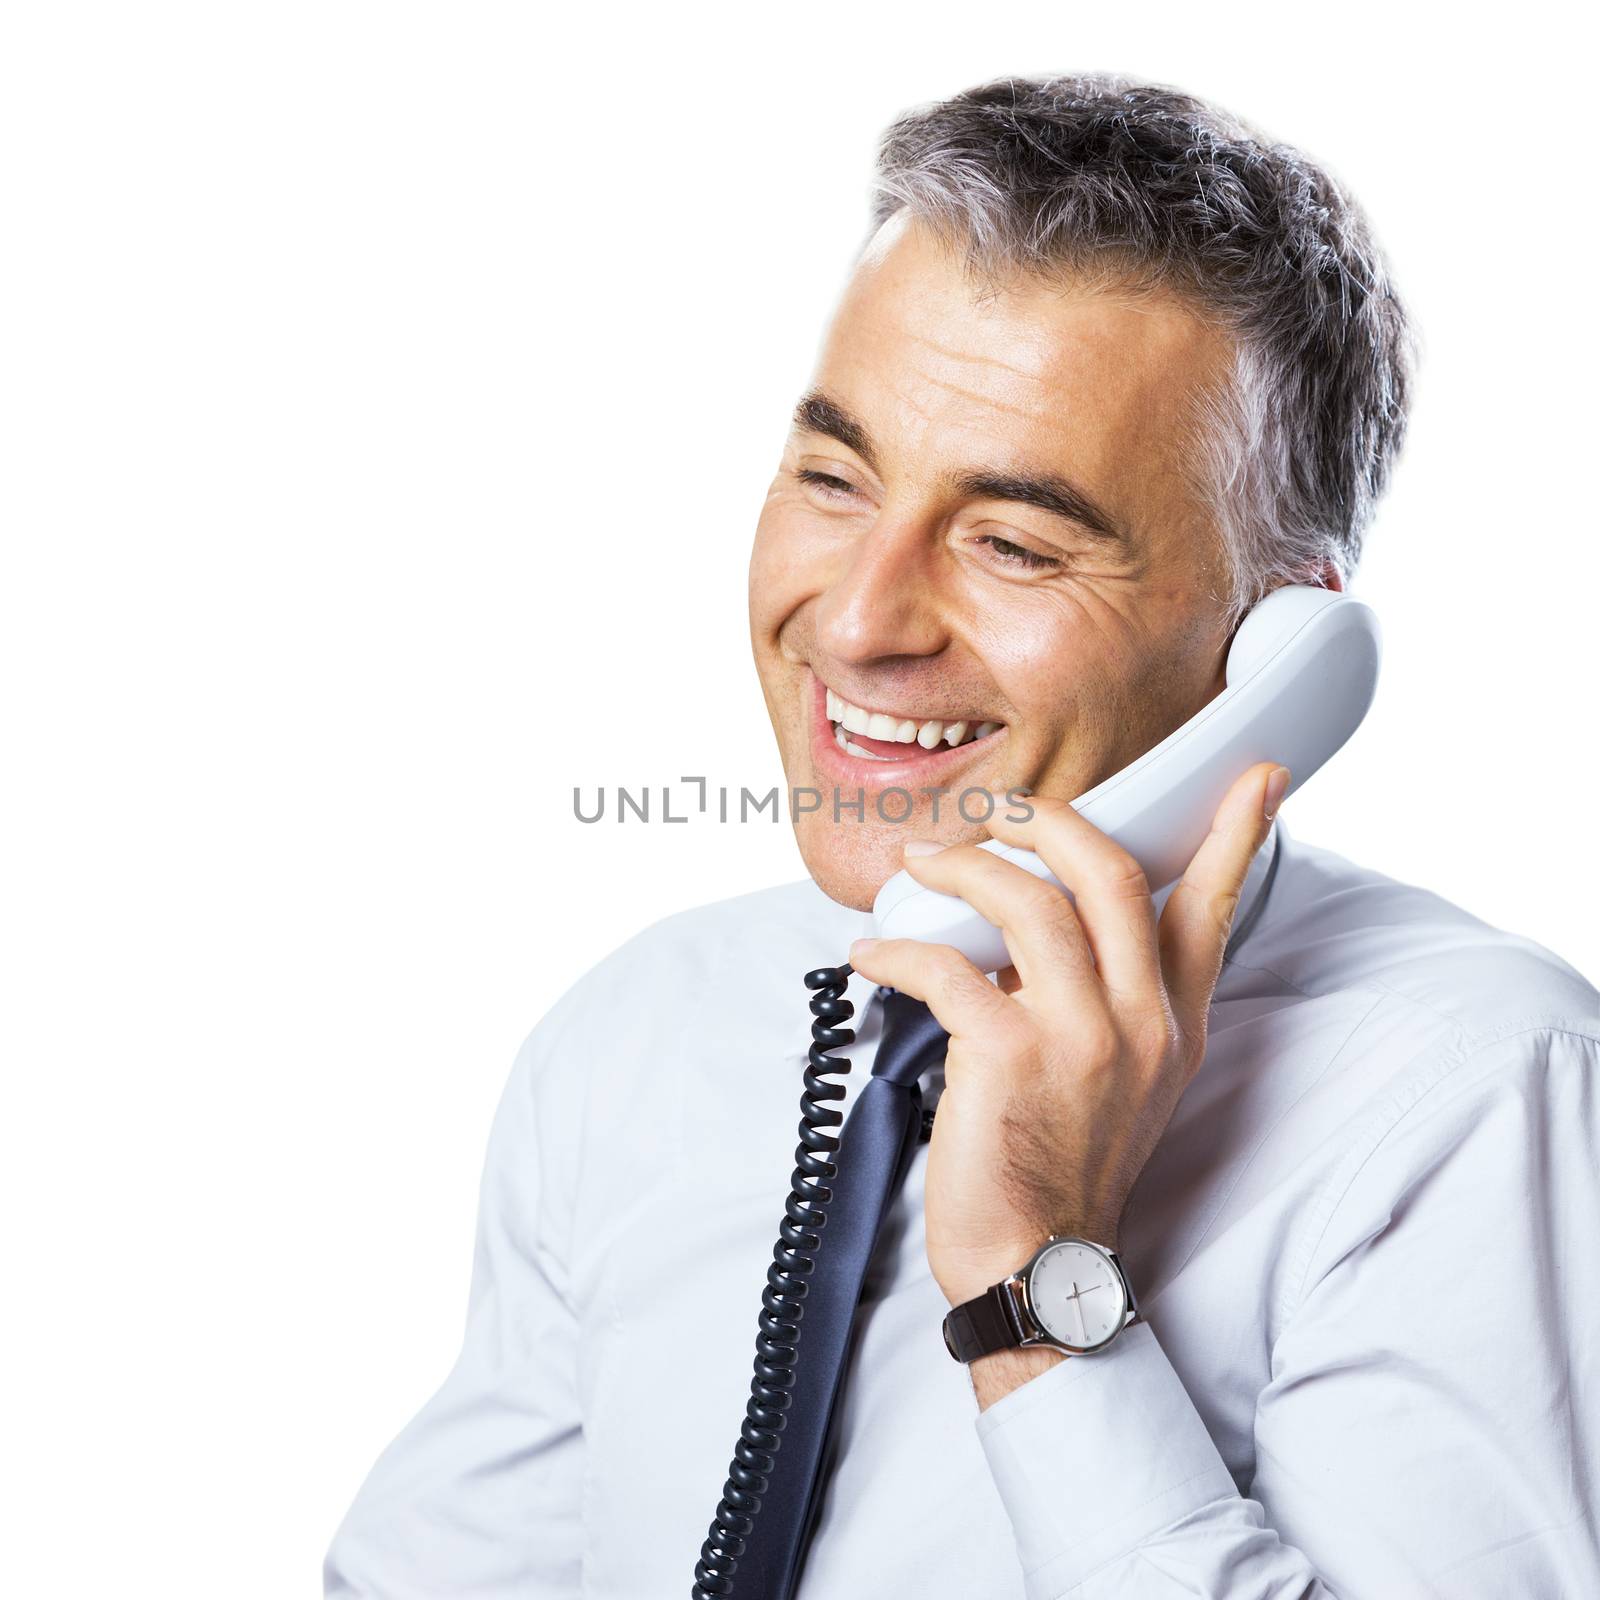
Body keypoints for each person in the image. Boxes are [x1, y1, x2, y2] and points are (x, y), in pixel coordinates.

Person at [325, 74, 1600, 1597]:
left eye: (1012, 542)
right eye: (833, 478)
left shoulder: (1469, 1091)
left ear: (1281, 665)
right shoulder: (646, 1033)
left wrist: (1036, 1289)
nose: (858, 621)